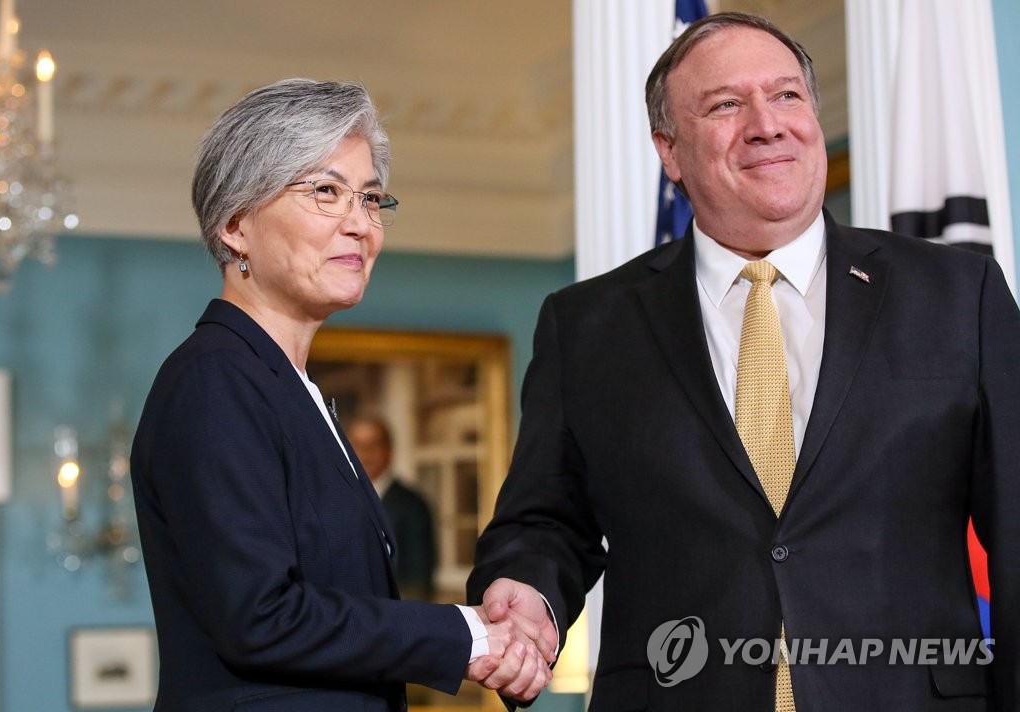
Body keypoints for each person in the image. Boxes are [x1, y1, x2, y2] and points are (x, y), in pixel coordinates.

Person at [468, 12, 1019, 711]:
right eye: (726, 105)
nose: (767, 125)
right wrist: (527, 591)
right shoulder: (587, 325)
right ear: (670, 150)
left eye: (786, 95)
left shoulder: (958, 295)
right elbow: (546, 520)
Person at [131, 78, 551, 712]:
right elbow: (260, 614)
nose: (361, 225)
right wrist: (466, 636)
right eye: (325, 192)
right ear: (236, 224)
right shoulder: (215, 379)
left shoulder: (290, 389)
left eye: (371, 199)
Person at [347, 416, 437, 600]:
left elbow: (417, 581)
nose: (365, 453)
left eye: (374, 444)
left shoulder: (413, 505)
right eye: (358, 445)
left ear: (389, 450)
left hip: (393, 610)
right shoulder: (335, 500)